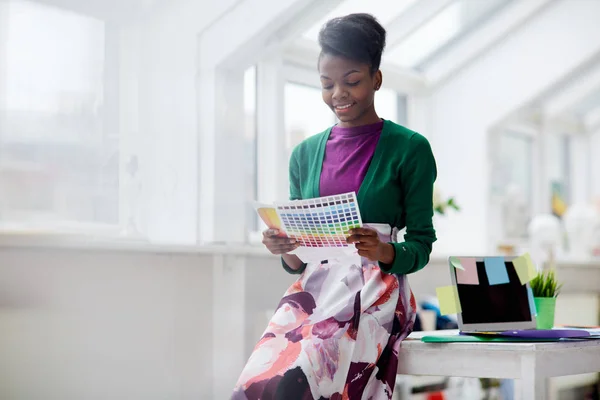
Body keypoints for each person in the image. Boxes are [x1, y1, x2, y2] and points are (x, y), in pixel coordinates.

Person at [232, 13, 437, 400]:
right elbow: (300, 259)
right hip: (315, 291)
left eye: (352, 81)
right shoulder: (305, 154)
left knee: (308, 380)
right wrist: (286, 248)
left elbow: (423, 245)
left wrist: (384, 251)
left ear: (376, 79)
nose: (338, 94)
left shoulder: (410, 149)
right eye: (327, 85)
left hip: (377, 291)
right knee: (257, 384)